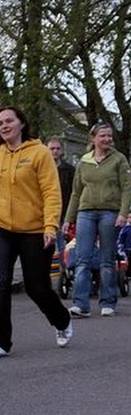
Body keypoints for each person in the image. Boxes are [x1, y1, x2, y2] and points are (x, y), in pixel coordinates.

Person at [0, 106, 73, 358]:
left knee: (37, 287)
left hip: (35, 230)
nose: (4, 126)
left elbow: (51, 192)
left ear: (21, 123)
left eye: (9, 120)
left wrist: (50, 226)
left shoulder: (39, 153)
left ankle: (62, 320)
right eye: (0, 123)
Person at [63, 122, 131, 319]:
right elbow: (76, 192)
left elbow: (127, 188)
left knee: (107, 260)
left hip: (110, 212)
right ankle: (81, 304)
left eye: (109, 136)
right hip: (86, 212)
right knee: (82, 259)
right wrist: (69, 218)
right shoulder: (84, 161)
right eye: (103, 136)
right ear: (93, 138)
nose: (107, 139)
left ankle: (108, 301)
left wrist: (123, 213)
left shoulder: (119, 159)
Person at [48, 137, 74, 257]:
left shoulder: (70, 170)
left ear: (62, 150)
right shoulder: (42, 169)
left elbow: (74, 191)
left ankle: (65, 270)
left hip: (65, 211)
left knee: (64, 244)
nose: (55, 151)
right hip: (48, 212)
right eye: (52, 148)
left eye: (58, 148)